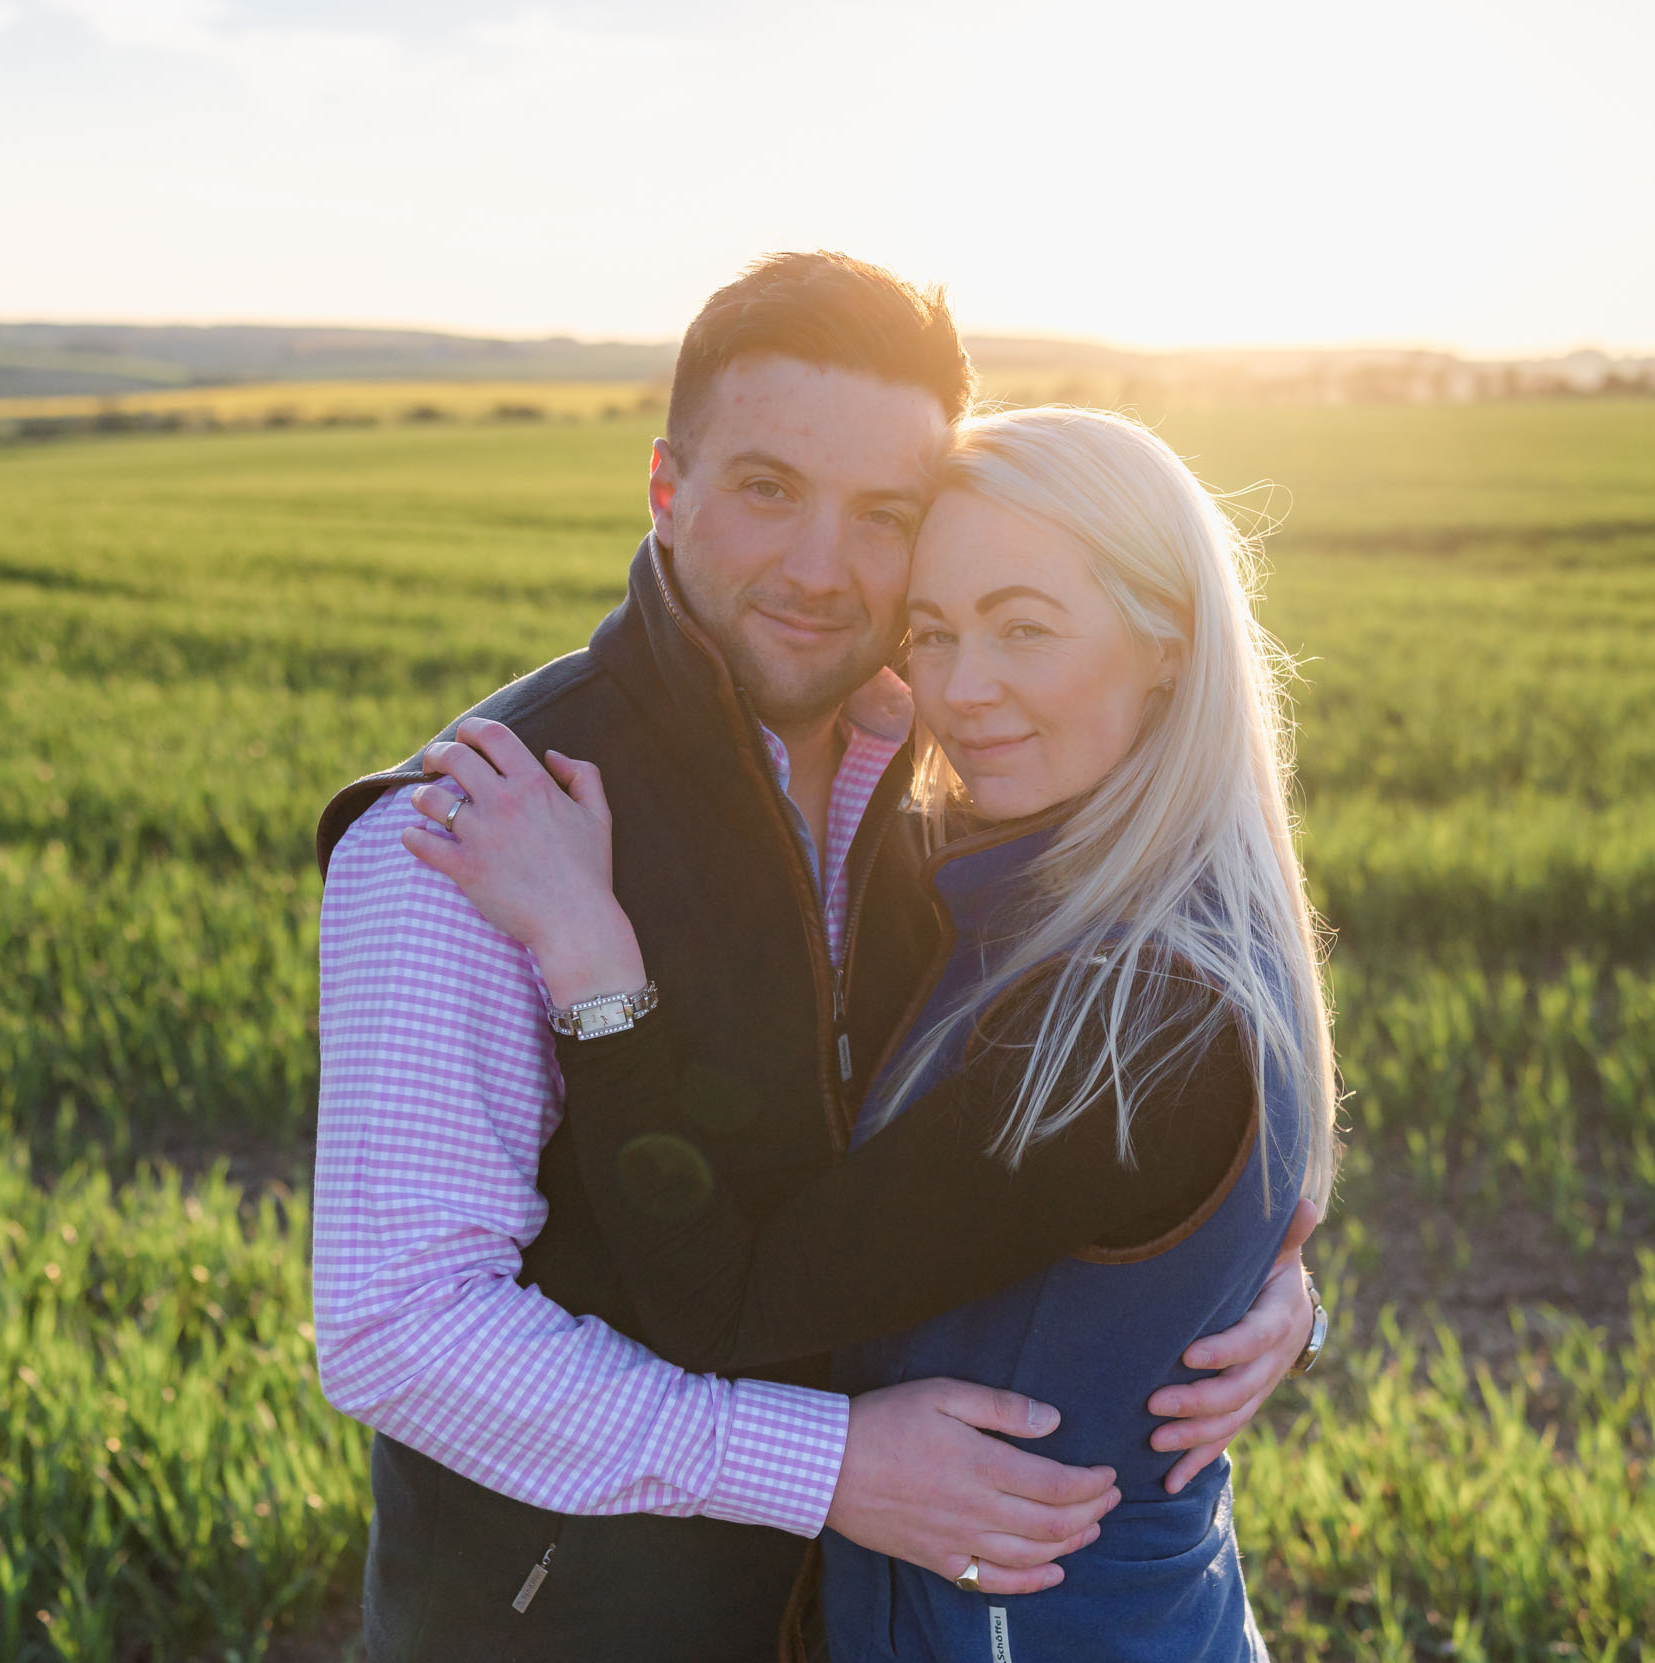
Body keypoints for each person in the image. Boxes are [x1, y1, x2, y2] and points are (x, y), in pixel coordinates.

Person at [311, 254, 1326, 1663]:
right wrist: (826, 1465)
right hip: (585, 1628)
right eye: (769, 488)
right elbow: (400, 1329)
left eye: (885, 517)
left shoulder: (939, 773)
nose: (820, 568)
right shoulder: (470, 836)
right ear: (667, 490)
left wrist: (1226, 1295)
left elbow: (1083, 1136)